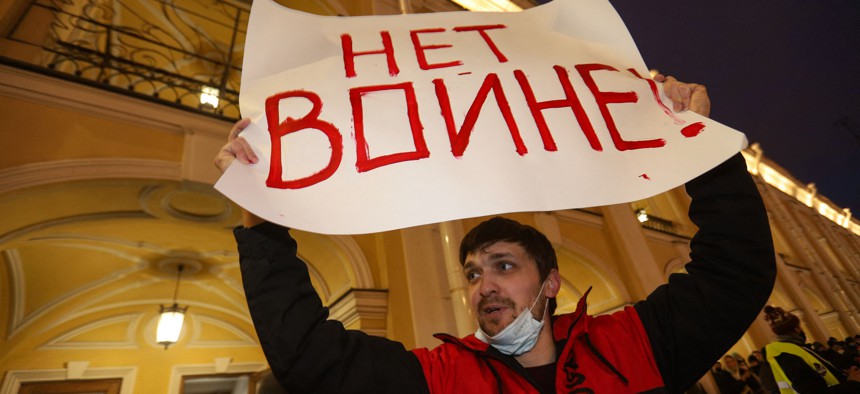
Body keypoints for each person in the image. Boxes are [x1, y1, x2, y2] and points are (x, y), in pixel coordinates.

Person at [215, 75, 776, 393]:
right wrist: (261, 217)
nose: (483, 285)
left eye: (504, 266)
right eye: (473, 273)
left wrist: (705, 152)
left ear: (550, 281)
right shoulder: (439, 377)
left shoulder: (630, 345)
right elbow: (310, 357)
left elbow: (735, 272)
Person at [759, 305, 859, 393]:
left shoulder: (792, 349)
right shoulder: (788, 354)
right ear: (796, 329)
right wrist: (852, 383)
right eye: (799, 326)